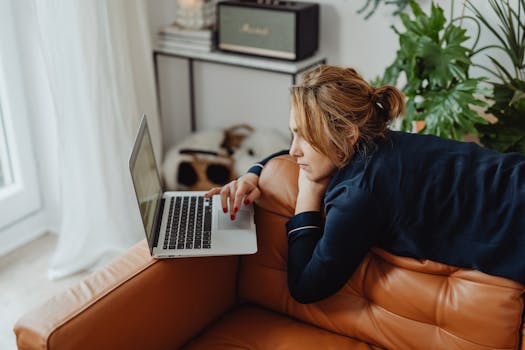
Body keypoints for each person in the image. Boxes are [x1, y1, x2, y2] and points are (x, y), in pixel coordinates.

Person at [205, 65, 525, 304]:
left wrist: (308, 193)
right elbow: (295, 153)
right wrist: (253, 172)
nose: (293, 150)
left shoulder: (360, 195)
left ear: (347, 134)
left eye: (305, 135)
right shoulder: (378, 142)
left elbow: (306, 288)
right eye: (294, 132)